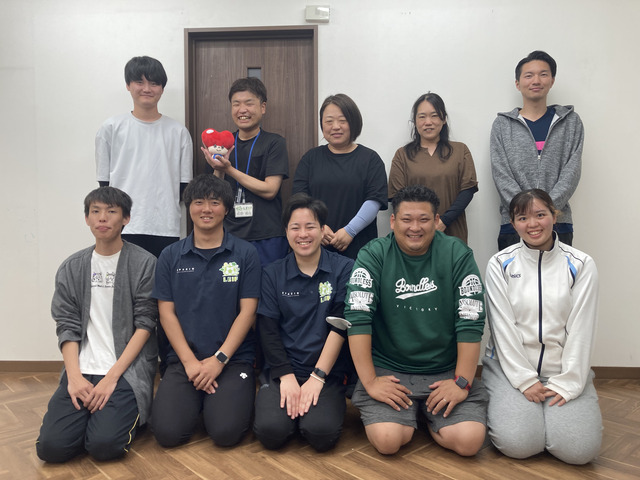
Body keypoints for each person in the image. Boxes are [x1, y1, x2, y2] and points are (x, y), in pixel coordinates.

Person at [345, 185, 487, 456]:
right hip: (390, 371)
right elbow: (358, 317)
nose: (415, 227)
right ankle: (415, 415)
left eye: (423, 219)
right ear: (393, 221)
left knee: (469, 442)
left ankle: (424, 414)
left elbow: (470, 319)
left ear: (436, 221)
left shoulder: (457, 253)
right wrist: (371, 381)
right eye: (407, 219)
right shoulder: (373, 254)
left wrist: (461, 382)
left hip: (445, 370)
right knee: (388, 441)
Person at [36, 187, 158, 463]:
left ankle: (113, 419)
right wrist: (74, 377)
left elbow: (146, 323)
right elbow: (66, 325)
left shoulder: (144, 264)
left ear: (126, 218)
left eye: (111, 211)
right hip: (82, 369)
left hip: (124, 370)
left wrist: (111, 378)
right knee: (51, 449)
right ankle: (90, 421)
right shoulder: (72, 266)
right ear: (87, 218)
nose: (102, 218)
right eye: (95, 211)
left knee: (105, 446)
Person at [481, 188, 602, 464]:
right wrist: (524, 380)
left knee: (580, 451)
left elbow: (582, 329)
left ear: (554, 216)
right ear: (513, 224)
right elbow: (502, 328)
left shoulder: (581, 264)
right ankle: (532, 420)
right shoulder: (500, 264)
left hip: (563, 370)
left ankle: (550, 417)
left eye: (540, 215)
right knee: (519, 444)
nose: (532, 224)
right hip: (510, 370)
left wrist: (569, 383)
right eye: (523, 218)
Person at [150, 174, 260, 448]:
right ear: (189, 207)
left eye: (215, 202)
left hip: (232, 359)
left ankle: (213, 402)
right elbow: (166, 314)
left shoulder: (245, 254)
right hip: (184, 360)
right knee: (167, 434)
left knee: (225, 433)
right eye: (198, 202)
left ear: (226, 209)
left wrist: (219, 360)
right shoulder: (170, 255)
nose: (206, 209)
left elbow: (248, 312)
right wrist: (190, 363)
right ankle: (197, 399)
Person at [253, 193, 354, 452]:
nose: (303, 234)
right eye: (295, 227)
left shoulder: (344, 269)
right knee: (271, 432)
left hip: (326, 371)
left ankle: (309, 412)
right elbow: (268, 329)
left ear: (323, 230)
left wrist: (317, 377)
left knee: (321, 433)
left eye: (310, 226)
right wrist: (286, 376)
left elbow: (340, 325)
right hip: (283, 369)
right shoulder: (272, 273)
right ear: (286, 232)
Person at [95, 55, 193, 258]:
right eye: (139, 82)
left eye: (154, 83)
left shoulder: (178, 132)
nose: (147, 89)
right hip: (123, 225)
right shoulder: (111, 128)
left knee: (162, 278)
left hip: (165, 226)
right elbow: (104, 185)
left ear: (162, 88)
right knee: (124, 278)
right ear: (128, 85)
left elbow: (184, 186)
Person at [490, 50, 583, 251]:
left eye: (543, 74)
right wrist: (526, 212)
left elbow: (572, 172)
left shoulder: (570, 122)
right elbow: (501, 174)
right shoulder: (502, 125)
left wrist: (546, 211)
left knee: (560, 273)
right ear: (518, 83)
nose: (536, 80)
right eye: (529, 75)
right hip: (514, 223)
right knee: (513, 273)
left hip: (558, 221)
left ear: (552, 80)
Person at [201, 77, 289, 266]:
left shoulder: (274, 143)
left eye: (249, 103)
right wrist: (218, 170)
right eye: (236, 104)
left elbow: (270, 190)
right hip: (228, 234)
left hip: (267, 235)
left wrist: (229, 169)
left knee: (267, 284)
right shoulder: (221, 145)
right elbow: (214, 196)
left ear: (263, 107)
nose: (242, 110)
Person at [293, 93, 388, 260]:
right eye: (329, 121)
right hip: (317, 246)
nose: (335, 126)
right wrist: (319, 227)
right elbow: (300, 199)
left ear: (354, 122)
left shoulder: (370, 159)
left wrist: (350, 231)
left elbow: (374, 201)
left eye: (342, 120)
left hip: (360, 248)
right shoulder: (310, 158)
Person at [388, 93, 478, 244]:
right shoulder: (402, 155)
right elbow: (397, 197)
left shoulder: (460, 150)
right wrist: (422, 224)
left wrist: (443, 222)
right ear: (415, 121)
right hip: (414, 233)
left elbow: (467, 190)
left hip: (452, 231)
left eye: (434, 116)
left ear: (444, 119)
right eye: (422, 117)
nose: (428, 122)